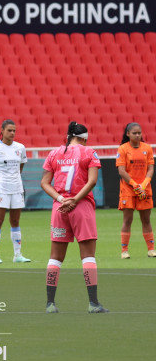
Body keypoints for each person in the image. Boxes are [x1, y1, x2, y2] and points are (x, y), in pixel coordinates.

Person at [41, 121, 108, 313]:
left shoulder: (54, 153)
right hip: (82, 207)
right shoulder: (89, 152)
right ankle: (93, 303)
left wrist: (62, 199)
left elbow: (44, 183)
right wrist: (75, 200)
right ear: (84, 138)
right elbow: (92, 181)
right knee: (88, 256)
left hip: (59, 208)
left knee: (55, 258)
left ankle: (50, 304)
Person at [0, 120, 31, 264]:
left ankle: (17, 255)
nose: (12, 133)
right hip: (1, 188)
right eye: (9, 130)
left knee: (15, 221)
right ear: (2, 130)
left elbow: (21, 166)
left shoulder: (20, 148)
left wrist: (14, 178)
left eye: (14, 131)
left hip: (17, 187)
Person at [116, 122, 154, 259]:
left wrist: (144, 184)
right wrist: (134, 184)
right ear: (128, 134)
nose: (137, 135)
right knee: (128, 220)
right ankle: (124, 251)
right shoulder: (122, 149)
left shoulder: (147, 148)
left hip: (144, 189)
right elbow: (121, 171)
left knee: (146, 220)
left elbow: (150, 168)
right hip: (128, 189)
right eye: (134, 133)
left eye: (139, 133)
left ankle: (151, 249)